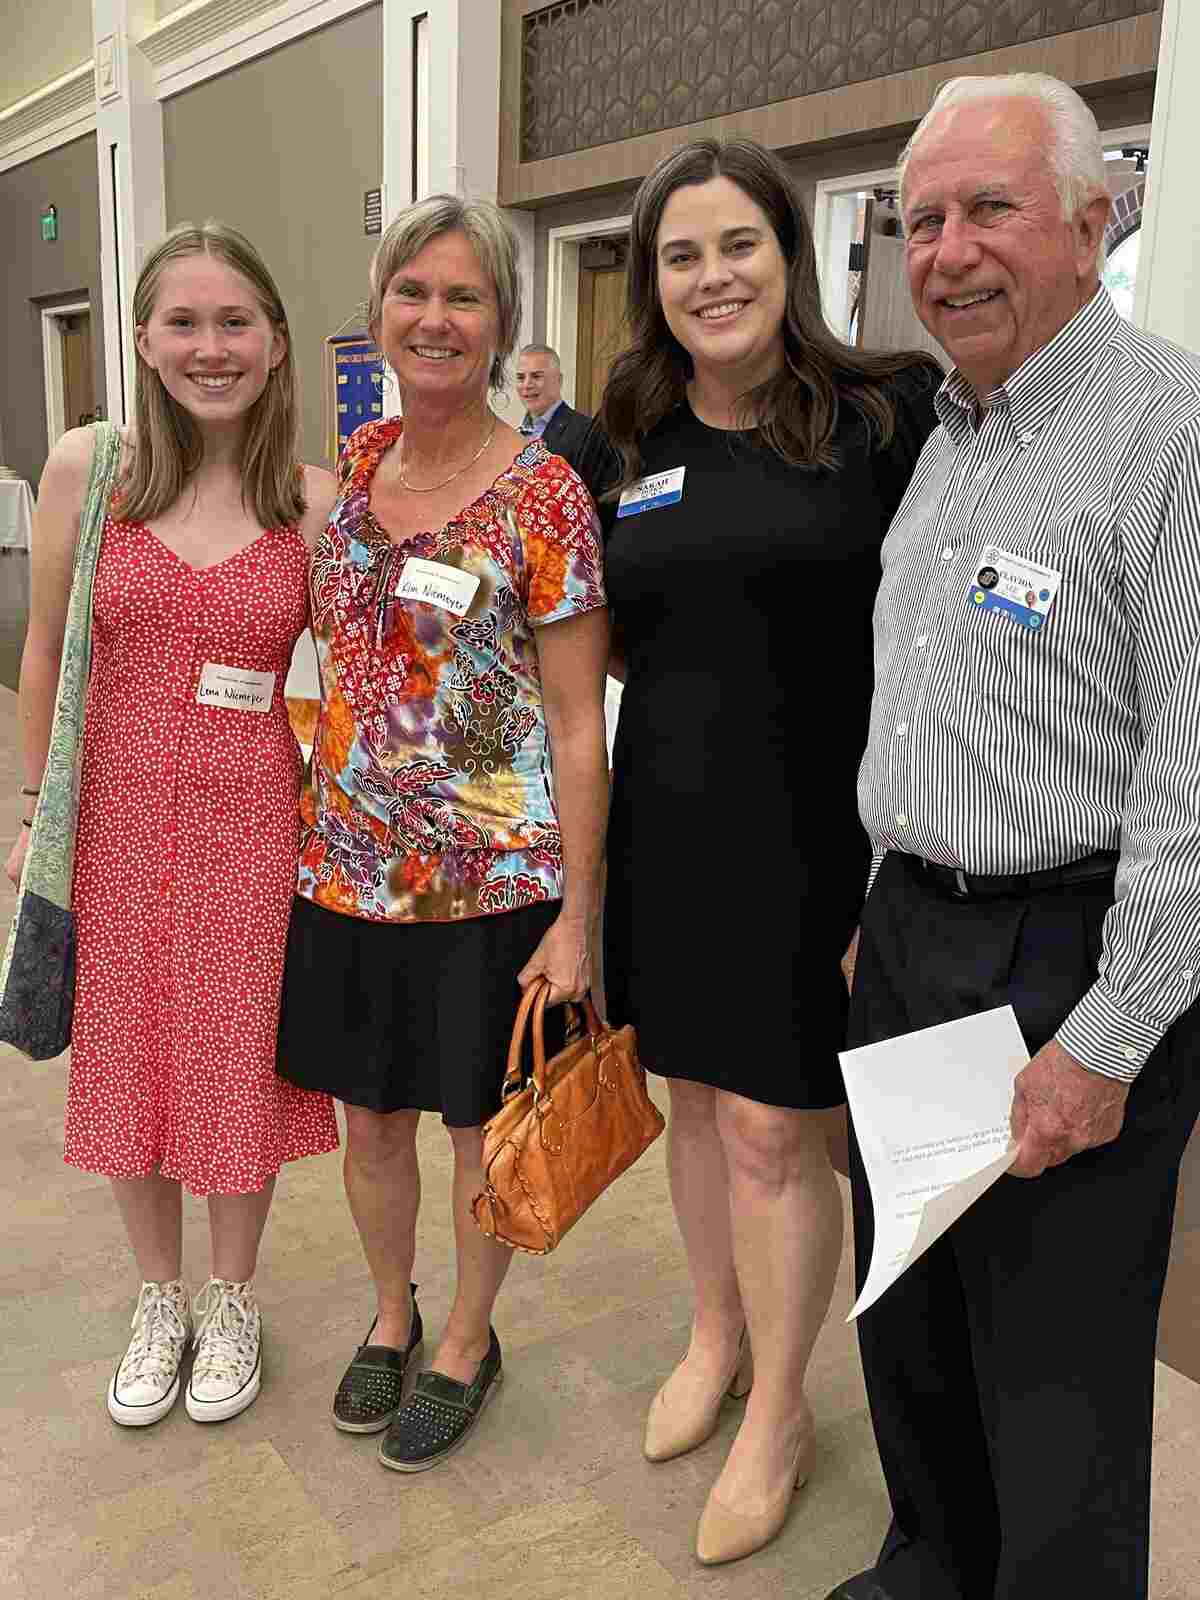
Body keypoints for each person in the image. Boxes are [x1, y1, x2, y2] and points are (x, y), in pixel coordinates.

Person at [829, 74, 1200, 1600]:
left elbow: (1195, 784)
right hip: (915, 931)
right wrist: (884, 897)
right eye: (922, 221)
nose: (948, 251)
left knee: (1052, 1366)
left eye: (990, 208)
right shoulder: (946, 434)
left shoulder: (1167, 434)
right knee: (909, 1310)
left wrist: (1107, 1041)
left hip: (1073, 949)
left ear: (1092, 222)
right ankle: (932, 1563)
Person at [597, 137, 941, 1566]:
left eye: (738, 244)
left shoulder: (884, 416)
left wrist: (902, 867)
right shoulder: (624, 437)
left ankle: (784, 1412)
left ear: (790, 256)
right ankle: (717, 1334)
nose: (712, 276)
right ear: (651, 283)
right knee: (690, 1099)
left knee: (773, 1131)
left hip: (817, 842)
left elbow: (938, 648)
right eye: (681, 255)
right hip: (666, 832)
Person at [275, 196, 610, 1473]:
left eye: (465, 297)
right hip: (347, 869)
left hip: (493, 885)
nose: (436, 316)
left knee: (478, 1125)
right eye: (414, 291)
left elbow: (578, 725)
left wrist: (579, 917)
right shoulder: (352, 476)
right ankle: (392, 1309)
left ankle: (468, 1335)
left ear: (502, 327)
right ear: (377, 318)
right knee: (369, 1122)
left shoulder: (545, 494)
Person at [8, 221, 339, 1428]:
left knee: (233, 1064)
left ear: (275, 342)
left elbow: (360, 685)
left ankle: (232, 1295)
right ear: (142, 338)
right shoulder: (89, 468)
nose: (211, 347)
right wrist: (38, 805)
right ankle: (160, 1297)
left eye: (234, 321)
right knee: (130, 1060)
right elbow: (44, 649)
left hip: (255, 825)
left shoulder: (311, 502)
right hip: (113, 822)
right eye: (185, 322)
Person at [516, 343, 617, 501]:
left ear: (559, 380)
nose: (527, 385)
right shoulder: (514, 437)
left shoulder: (588, 432)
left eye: (536, 376)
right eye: (521, 377)